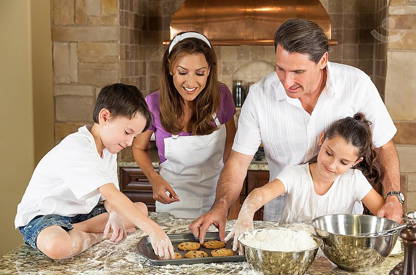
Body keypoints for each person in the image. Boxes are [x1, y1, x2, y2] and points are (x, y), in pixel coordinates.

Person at [190, 18, 403, 243]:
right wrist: (221, 206)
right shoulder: (260, 95)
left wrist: (392, 197)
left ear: (323, 60)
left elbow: (384, 146)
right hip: (282, 227)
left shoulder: (356, 84)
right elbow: (238, 162)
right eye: (280, 69)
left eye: (298, 71)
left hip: (341, 231)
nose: (287, 81)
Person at [15, 83, 175, 260]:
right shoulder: (78, 147)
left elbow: (109, 200)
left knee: (141, 209)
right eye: (127, 132)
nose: (130, 142)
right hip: (45, 218)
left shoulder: (108, 150)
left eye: (134, 137)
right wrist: (154, 230)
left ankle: (77, 231)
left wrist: (114, 214)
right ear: (105, 116)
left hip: (80, 216)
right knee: (58, 246)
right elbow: (112, 194)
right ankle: (92, 235)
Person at [226, 113, 386, 253]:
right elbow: (260, 194)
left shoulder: (354, 180)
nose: (332, 165)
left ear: (356, 162)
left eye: (343, 162)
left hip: (334, 260)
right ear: (321, 139)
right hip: (290, 255)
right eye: (329, 153)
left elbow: (385, 215)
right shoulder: (295, 175)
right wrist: (246, 214)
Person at [132, 32, 236, 218]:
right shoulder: (153, 103)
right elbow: (139, 148)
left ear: (209, 71)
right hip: (172, 200)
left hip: (216, 198)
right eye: (182, 72)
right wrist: (154, 179)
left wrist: (227, 191)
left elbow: (231, 141)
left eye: (200, 73)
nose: (190, 82)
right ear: (170, 67)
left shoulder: (221, 95)